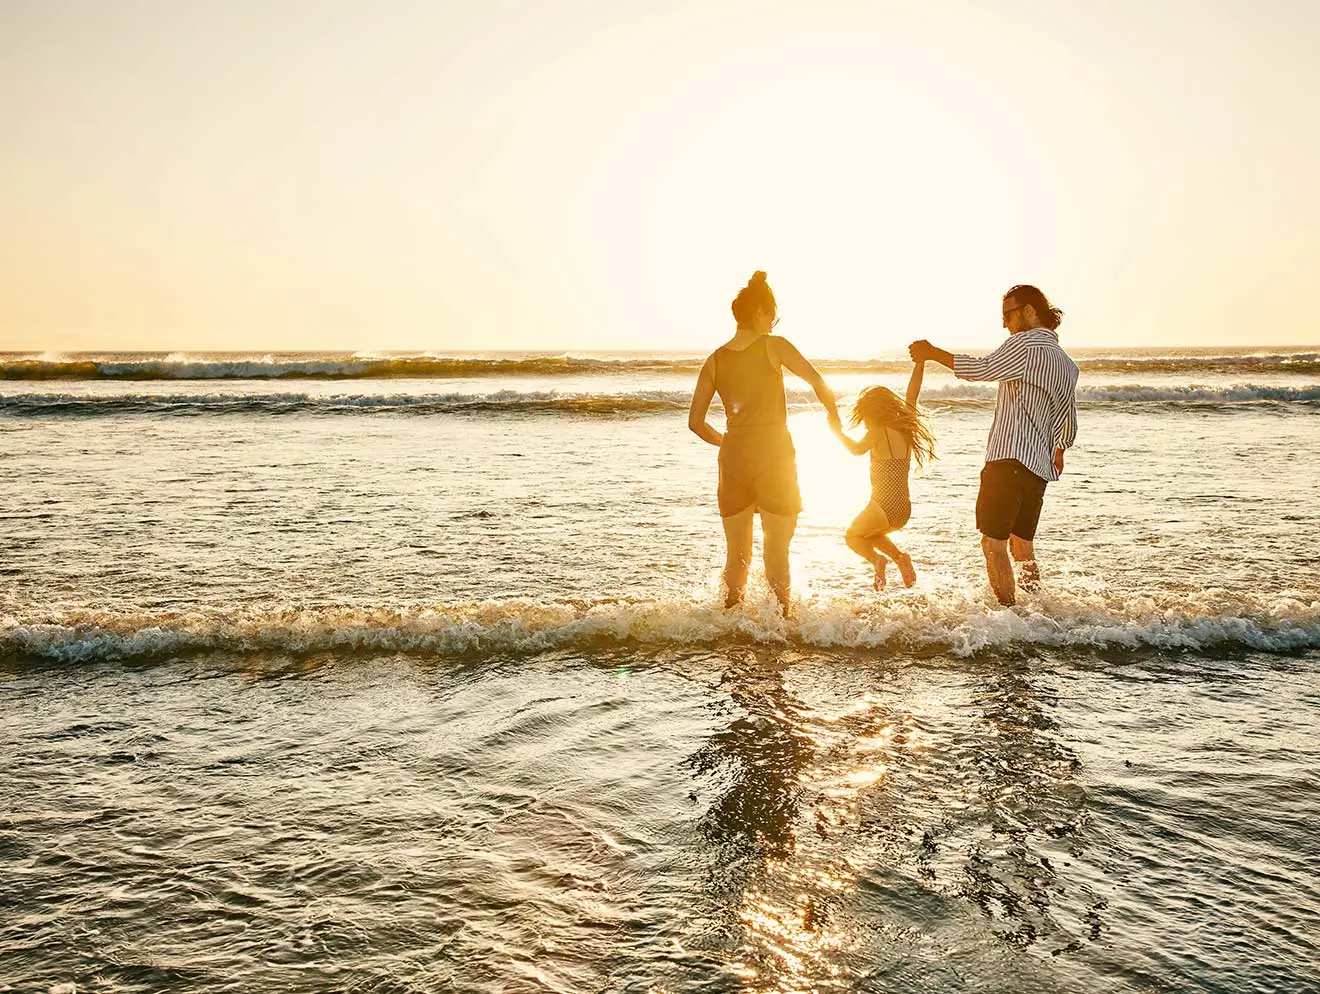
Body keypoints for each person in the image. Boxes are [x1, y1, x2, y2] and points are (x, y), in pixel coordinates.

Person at [909, 285, 1079, 605]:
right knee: (1022, 545)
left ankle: (1008, 615)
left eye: (1008, 315)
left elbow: (981, 369)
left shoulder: (1025, 345)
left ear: (1029, 311)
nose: (1005, 324)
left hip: (1008, 459)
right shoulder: (1067, 363)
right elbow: (1067, 418)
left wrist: (932, 353)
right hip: (1038, 468)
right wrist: (1060, 450)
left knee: (993, 543)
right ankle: (1036, 609)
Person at [688, 271, 841, 613]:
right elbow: (818, 382)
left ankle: (731, 624)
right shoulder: (775, 346)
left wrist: (727, 443)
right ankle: (782, 624)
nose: (773, 322)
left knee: (737, 559)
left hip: (734, 457)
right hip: (774, 455)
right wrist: (833, 417)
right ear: (759, 311)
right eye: (772, 314)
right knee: (776, 553)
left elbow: (695, 422)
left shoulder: (714, 360)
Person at [831, 360, 935, 590]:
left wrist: (837, 433)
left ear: (870, 413)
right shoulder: (907, 428)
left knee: (853, 537)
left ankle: (879, 560)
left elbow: (856, 450)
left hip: (883, 505)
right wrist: (920, 364)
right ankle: (900, 558)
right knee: (870, 534)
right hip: (903, 509)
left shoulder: (877, 432)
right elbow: (912, 395)